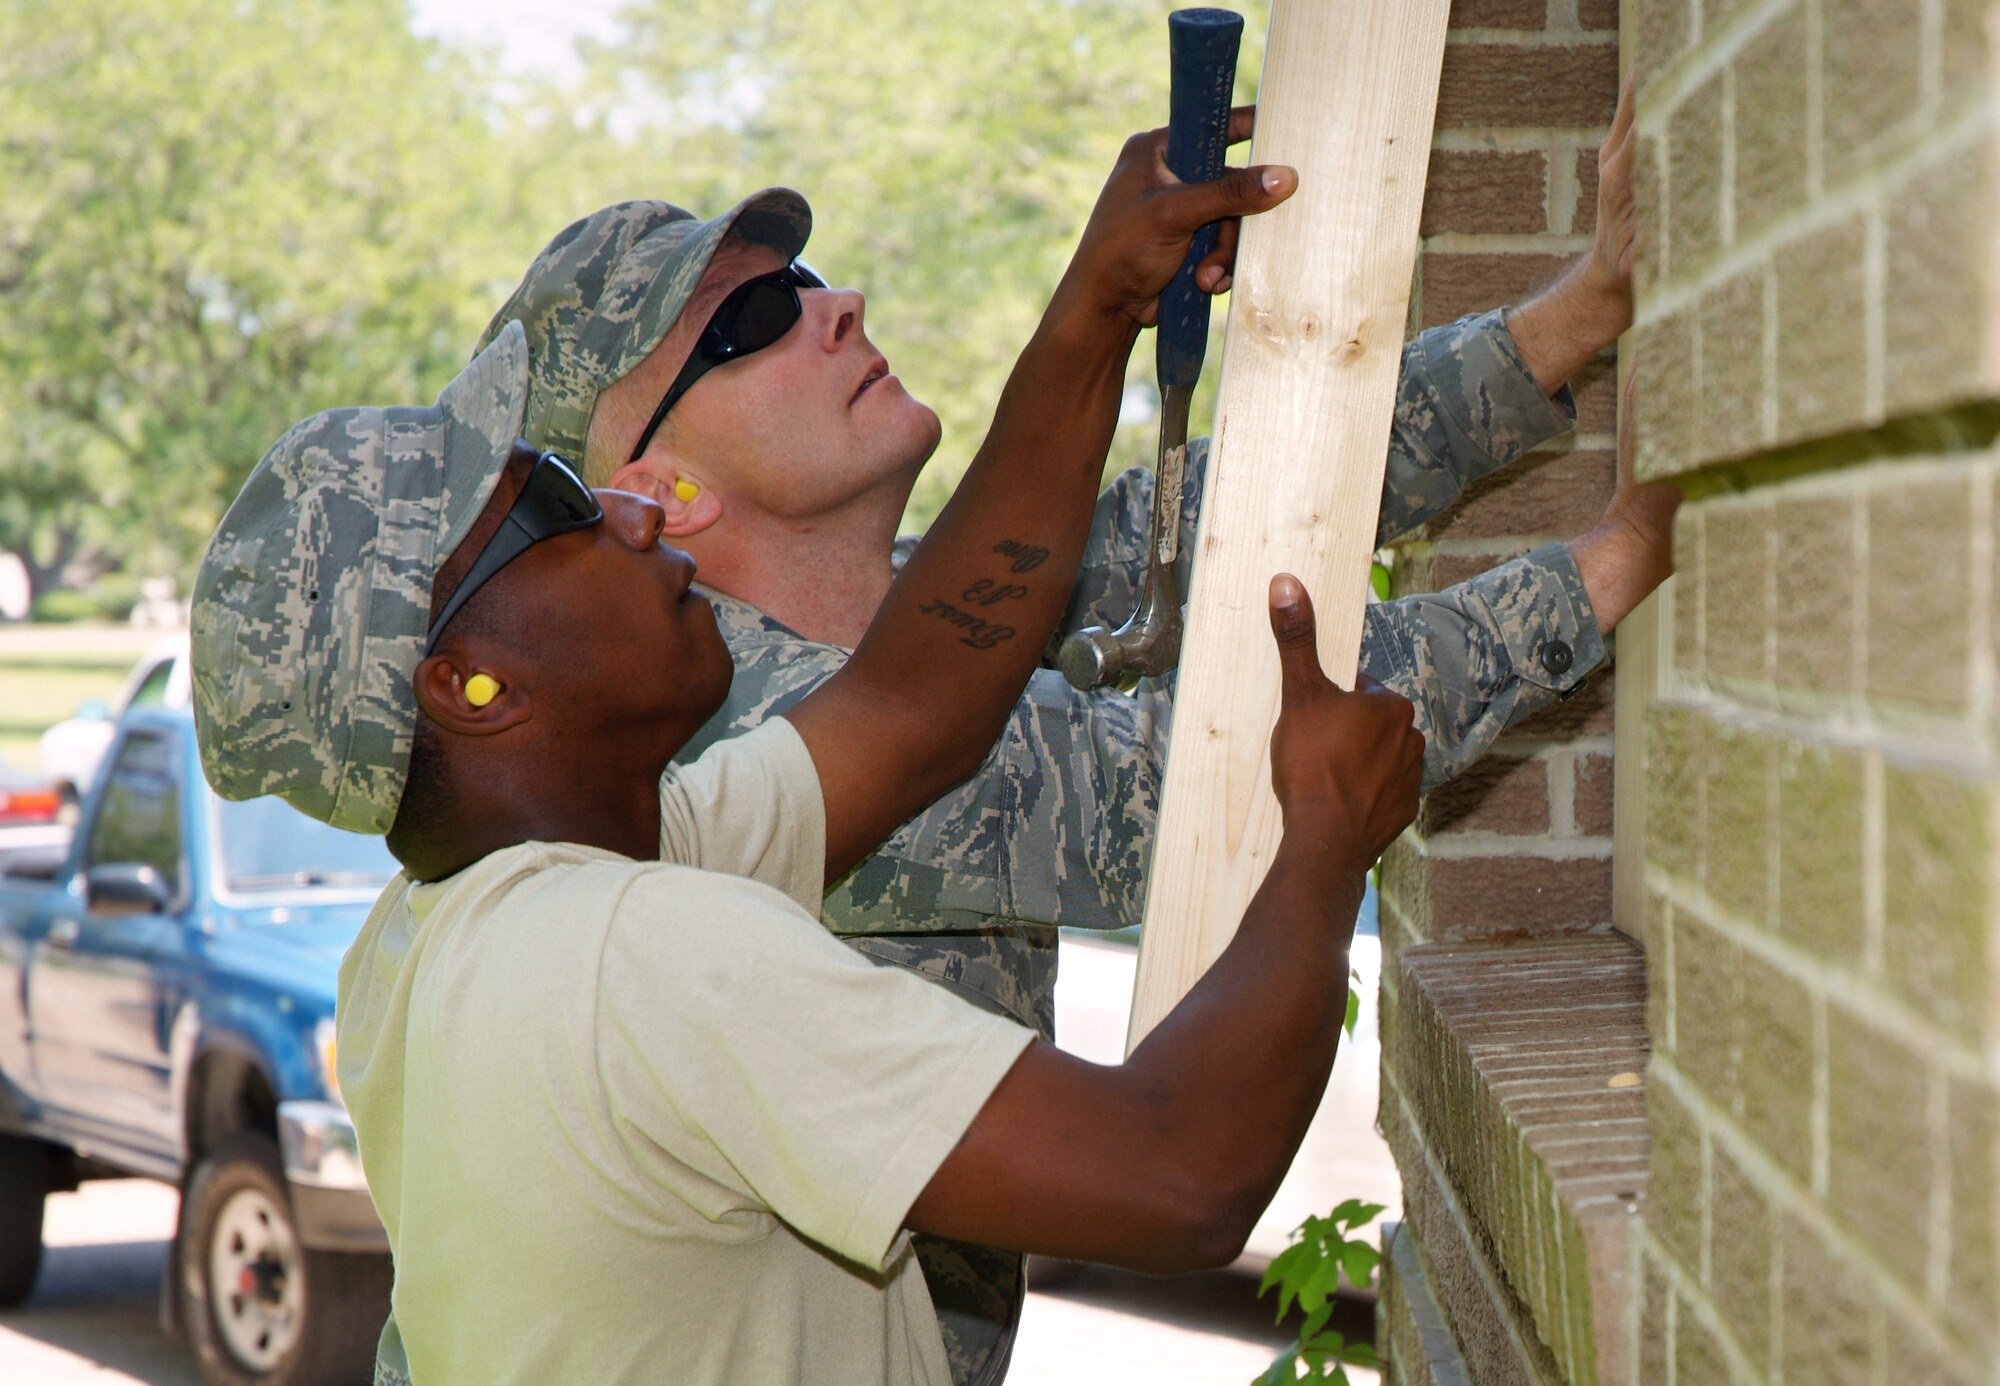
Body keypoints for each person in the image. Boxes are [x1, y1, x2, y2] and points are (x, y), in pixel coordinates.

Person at [474, 83, 1674, 1384]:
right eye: (754, 320)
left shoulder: (896, 628)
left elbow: (1222, 521)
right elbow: (1198, 778)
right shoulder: (731, 729)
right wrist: (1620, 558)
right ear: (653, 490)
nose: (841, 306)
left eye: (809, 277)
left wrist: (1582, 310)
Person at [190, 131, 1425, 1385]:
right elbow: (1179, 1174)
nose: (628, 510)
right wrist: (1322, 841)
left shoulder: (440, 929)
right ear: (471, 687)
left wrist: (1097, 307)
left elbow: (916, 701)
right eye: (554, 514)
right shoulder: (641, 957)